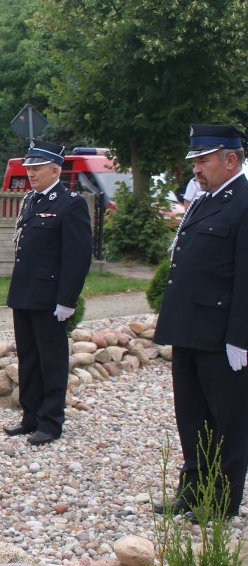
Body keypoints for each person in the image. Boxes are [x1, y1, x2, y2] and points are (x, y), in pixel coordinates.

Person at [153, 123, 248, 519]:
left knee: (228, 421)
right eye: (194, 161)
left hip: (222, 335)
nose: (196, 169)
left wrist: (241, 337)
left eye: (204, 160)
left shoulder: (243, 202)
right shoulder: (205, 200)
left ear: (231, 160)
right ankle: (192, 491)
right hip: (190, 329)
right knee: (191, 417)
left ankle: (223, 502)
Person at [4, 140, 93, 445]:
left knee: (51, 360)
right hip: (25, 293)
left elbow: (78, 257)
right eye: (29, 168)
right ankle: (31, 417)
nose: (31, 173)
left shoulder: (70, 203)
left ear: (55, 169)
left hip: (50, 298)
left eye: (37, 168)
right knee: (28, 358)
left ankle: (51, 421)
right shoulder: (30, 200)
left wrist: (67, 299)